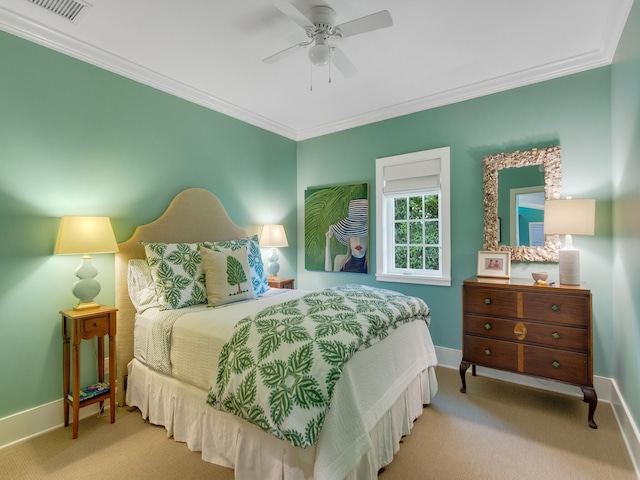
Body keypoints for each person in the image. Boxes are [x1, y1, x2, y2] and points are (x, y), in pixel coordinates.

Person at [325, 199, 369, 273]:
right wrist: (328, 242)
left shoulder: (374, 264)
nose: (358, 241)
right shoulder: (340, 260)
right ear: (349, 239)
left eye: (363, 236)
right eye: (354, 235)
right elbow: (329, 275)